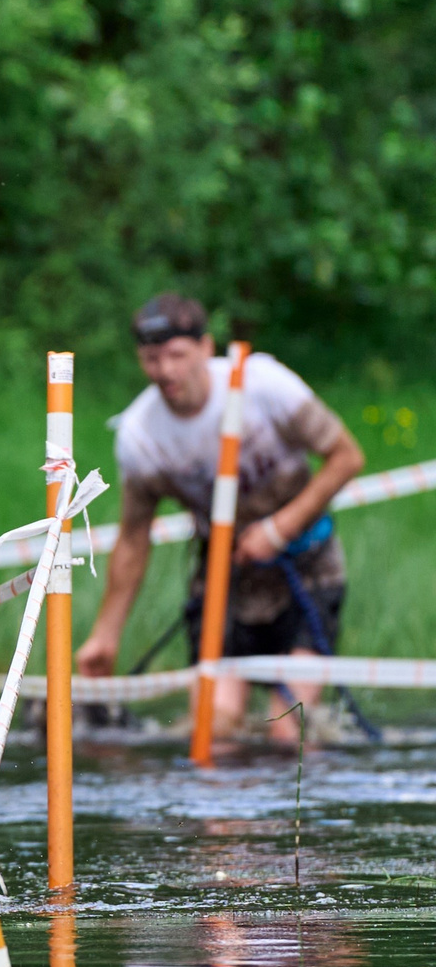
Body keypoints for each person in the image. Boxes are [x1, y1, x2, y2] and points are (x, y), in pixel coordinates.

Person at [75, 293, 365, 744]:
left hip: (306, 567)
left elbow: (346, 457)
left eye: (176, 355)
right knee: (214, 732)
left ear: (205, 348)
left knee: (289, 733)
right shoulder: (139, 436)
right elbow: (134, 538)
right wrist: (105, 635)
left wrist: (278, 528)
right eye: (151, 359)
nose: (165, 371)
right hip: (224, 576)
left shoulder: (264, 386)